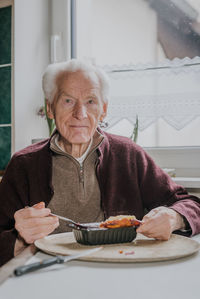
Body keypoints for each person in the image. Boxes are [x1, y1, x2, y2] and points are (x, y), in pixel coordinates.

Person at [0, 59, 200, 267]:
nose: (81, 114)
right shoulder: (23, 164)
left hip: (120, 271)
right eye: (68, 100)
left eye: (90, 101)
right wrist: (20, 239)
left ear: (103, 109)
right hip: (45, 274)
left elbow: (191, 205)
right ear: (50, 108)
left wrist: (174, 217)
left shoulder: (129, 154)